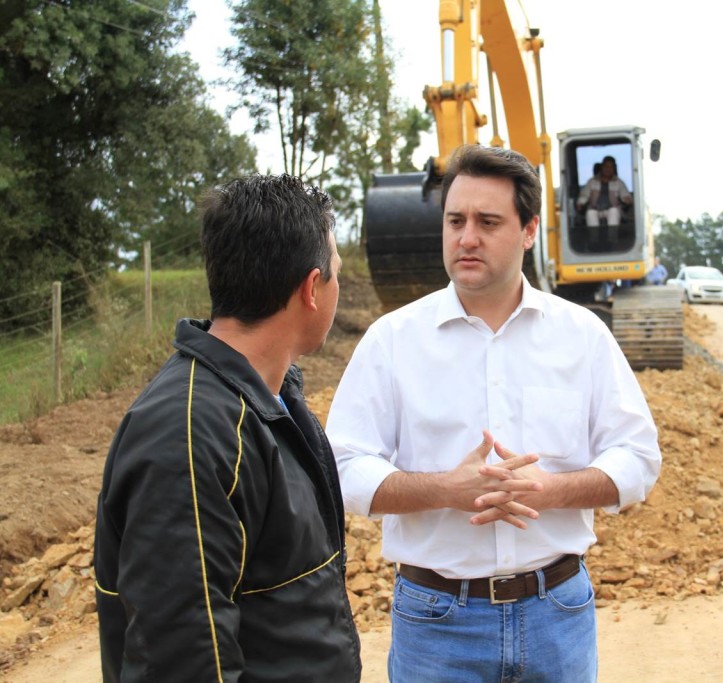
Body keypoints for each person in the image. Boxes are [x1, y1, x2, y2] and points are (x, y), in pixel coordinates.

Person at [326, 144, 661, 682]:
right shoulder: (392, 341)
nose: (467, 238)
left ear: (529, 230)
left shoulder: (582, 336)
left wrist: (551, 491)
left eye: (487, 222)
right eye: (455, 221)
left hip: (558, 615)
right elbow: (342, 466)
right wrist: (444, 489)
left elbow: (638, 457)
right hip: (436, 624)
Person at [93, 175, 362, 681]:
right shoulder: (188, 434)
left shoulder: (269, 397)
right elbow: (182, 659)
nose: (338, 289)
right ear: (311, 288)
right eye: (337, 275)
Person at [577, 155, 633, 230]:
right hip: (595, 209)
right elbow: (584, 194)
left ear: (614, 169)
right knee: (590, 212)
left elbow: (625, 194)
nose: (608, 169)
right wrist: (580, 203)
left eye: (611, 167)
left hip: (612, 208)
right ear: (602, 167)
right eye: (606, 166)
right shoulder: (592, 181)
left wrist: (627, 199)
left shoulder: (618, 182)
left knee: (613, 211)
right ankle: (594, 237)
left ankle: (612, 236)